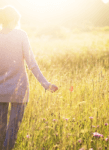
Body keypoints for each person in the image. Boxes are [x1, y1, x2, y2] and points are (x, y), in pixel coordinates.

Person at [0, 5, 58, 150]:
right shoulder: (21, 35)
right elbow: (31, 63)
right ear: (14, 19)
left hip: (0, 92)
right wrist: (46, 84)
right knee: (12, 132)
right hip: (19, 91)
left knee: (0, 132)